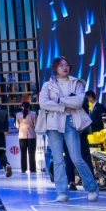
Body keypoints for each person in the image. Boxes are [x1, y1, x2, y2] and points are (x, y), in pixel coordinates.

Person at [39, 56, 99, 202]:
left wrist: (59, 101)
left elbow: (79, 102)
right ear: (55, 68)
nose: (65, 67)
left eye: (67, 65)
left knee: (76, 158)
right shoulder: (47, 85)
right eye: (61, 65)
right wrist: (65, 105)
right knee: (58, 159)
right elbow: (43, 103)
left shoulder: (76, 83)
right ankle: (62, 192)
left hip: (70, 121)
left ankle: (92, 187)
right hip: (52, 124)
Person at [15, 101, 37, 174]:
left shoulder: (18, 115)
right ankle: (32, 169)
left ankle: (23, 169)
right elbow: (35, 125)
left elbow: (17, 126)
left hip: (22, 136)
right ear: (29, 106)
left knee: (23, 153)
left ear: (22, 107)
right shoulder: (33, 114)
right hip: (31, 136)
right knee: (32, 153)